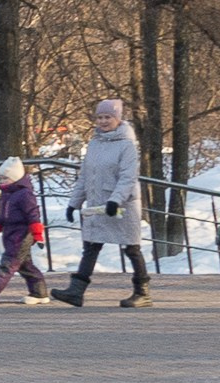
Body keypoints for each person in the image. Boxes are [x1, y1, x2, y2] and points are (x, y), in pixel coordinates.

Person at [54, 98, 151, 308]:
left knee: (131, 247)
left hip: (122, 205)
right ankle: (76, 291)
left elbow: (128, 177)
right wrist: (74, 203)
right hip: (97, 203)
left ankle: (142, 292)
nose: (103, 121)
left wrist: (115, 200)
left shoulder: (127, 145)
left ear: (118, 119)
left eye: (108, 117)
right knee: (91, 245)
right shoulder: (95, 143)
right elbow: (85, 176)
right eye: (100, 117)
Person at [0, 157, 46, 305]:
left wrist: (38, 235)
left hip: (21, 236)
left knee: (8, 263)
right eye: (0, 178)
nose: (1, 182)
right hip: (10, 235)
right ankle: (39, 293)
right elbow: (1, 218)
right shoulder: (7, 195)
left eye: (5, 178)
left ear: (15, 178)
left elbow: (33, 216)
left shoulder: (25, 195)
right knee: (26, 266)